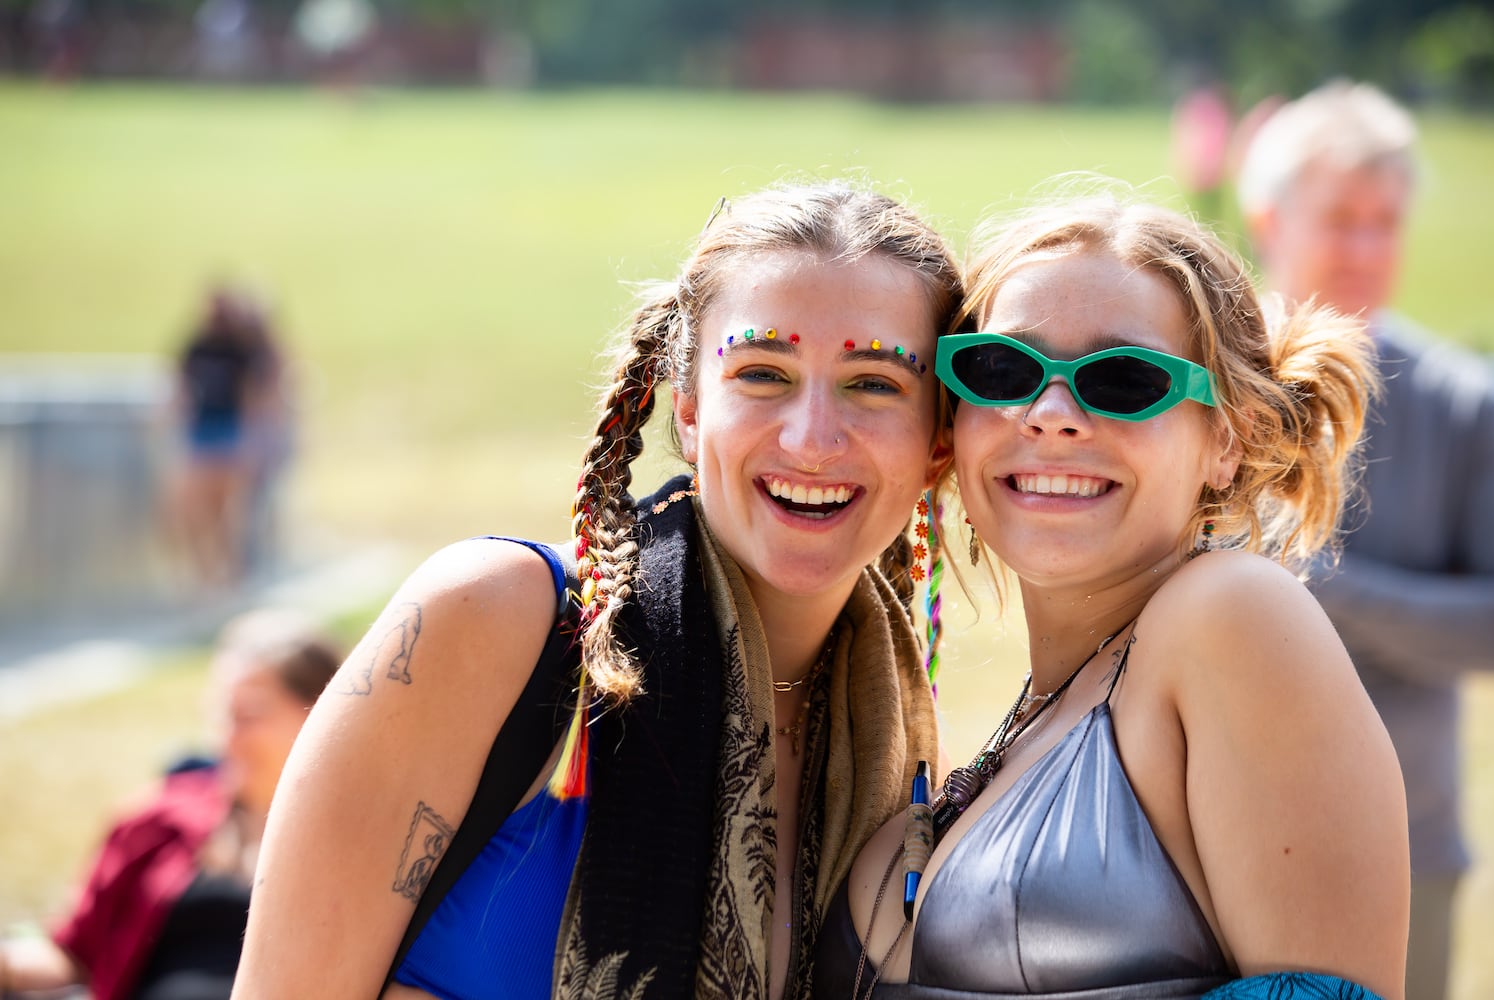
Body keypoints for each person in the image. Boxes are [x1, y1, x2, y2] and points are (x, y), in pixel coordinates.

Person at [231, 181, 960, 1000]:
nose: (812, 439)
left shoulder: (901, 757)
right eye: (763, 373)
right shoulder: (496, 621)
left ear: (939, 442)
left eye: (874, 384)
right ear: (687, 410)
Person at [814, 193, 1409, 998]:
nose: (1052, 414)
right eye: (1004, 369)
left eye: (1124, 380)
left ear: (1226, 438)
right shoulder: (1039, 711)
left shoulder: (1232, 614)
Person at [1237, 80, 1494, 1000]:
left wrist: (1301, 582)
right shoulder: (1189, 387)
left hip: (1405, 842)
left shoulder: (1467, 402)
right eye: (1339, 217)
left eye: (1384, 222)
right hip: (1202, 831)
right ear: (1265, 214)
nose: (1364, 246)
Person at [0, 608, 343, 1000]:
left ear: (319, 714)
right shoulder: (159, 820)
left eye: (249, 714)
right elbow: (73, 955)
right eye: (221, 714)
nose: (228, 738)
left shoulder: (360, 841)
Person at [168, 283, 288, 589]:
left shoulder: (240, 351)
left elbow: (252, 397)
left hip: (230, 432)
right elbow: (181, 384)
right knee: (194, 510)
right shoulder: (197, 346)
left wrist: (252, 441)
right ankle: (206, 573)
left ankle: (228, 574)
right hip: (202, 432)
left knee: (225, 511)